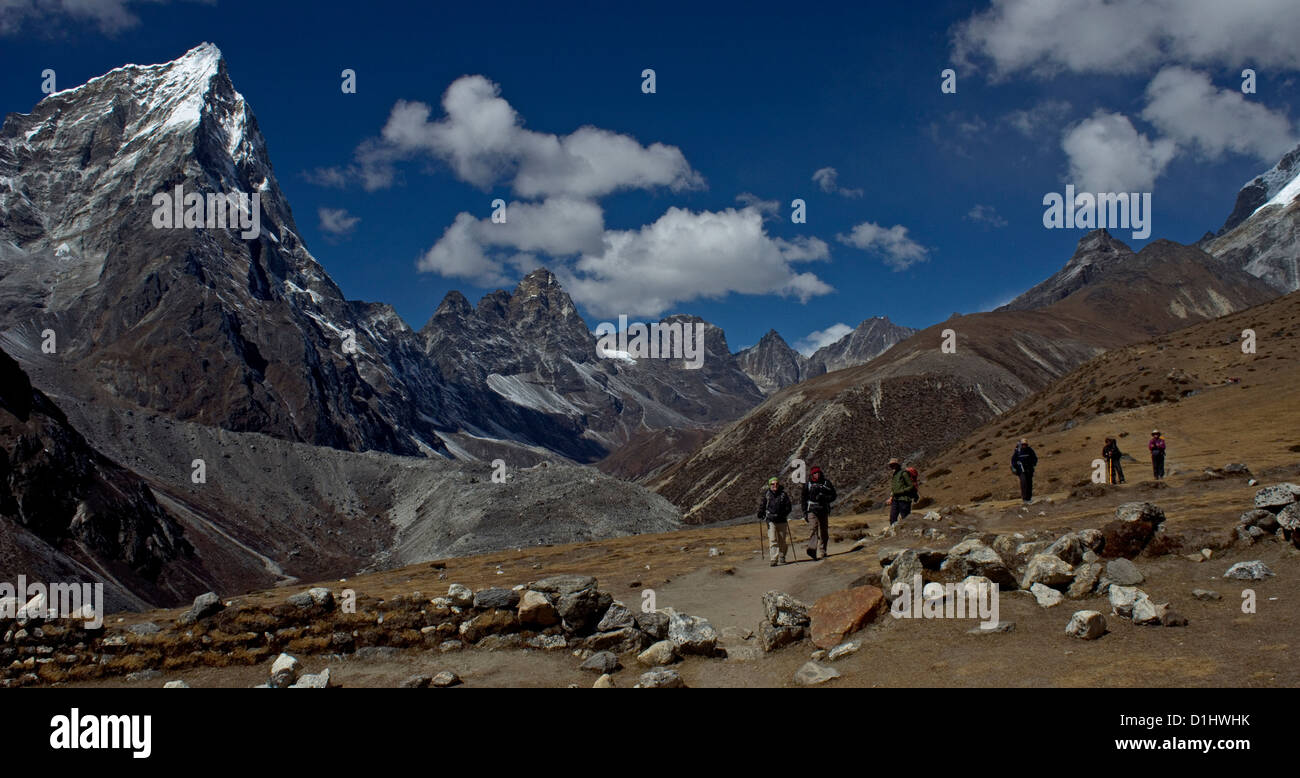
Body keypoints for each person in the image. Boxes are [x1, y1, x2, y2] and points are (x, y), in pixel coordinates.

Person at [800, 466, 838, 561]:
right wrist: (805, 512)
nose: (817, 475)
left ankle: (823, 550)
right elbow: (803, 499)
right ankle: (812, 549)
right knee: (813, 528)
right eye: (815, 473)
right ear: (811, 474)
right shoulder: (807, 485)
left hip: (823, 509)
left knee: (824, 531)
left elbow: (834, 495)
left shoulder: (826, 483)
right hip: (811, 510)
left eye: (818, 473)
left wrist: (824, 497)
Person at [757, 476, 793, 566]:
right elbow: (763, 505)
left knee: (782, 540)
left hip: (782, 520)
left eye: (776, 483)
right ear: (770, 485)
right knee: (772, 539)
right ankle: (774, 559)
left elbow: (788, 506)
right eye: (772, 484)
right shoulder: (767, 495)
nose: (775, 485)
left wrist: (784, 513)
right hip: (771, 520)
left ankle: (782, 555)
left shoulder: (783, 495)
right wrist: (760, 513)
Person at [886, 458, 916, 524]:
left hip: (904, 499)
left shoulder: (903, 473)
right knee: (892, 518)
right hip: (895, 499)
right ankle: (894, 532)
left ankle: (907, 532)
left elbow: (911, 486)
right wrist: (891, 498)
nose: (891, 466)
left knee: (905, 518)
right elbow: (894, 488)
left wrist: (901, 491)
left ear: (897, 465)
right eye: (890, 465)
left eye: (893, 465)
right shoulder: (894, 475)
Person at [1011, 438, 1038, 503]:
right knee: (1024, 483)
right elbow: (1013, 460)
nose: (1024, 446)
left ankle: (1029, 498)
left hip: (1029, 470)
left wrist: (1033, 464)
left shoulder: (1030, 450)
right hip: (1021, 471)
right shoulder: (1018, 451)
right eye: (1023, 445)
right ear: (1021, 445)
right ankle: (1024, 499)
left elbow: (1035, 458)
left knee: (1029, 484)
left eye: (1025, 445)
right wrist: (1015, 466)